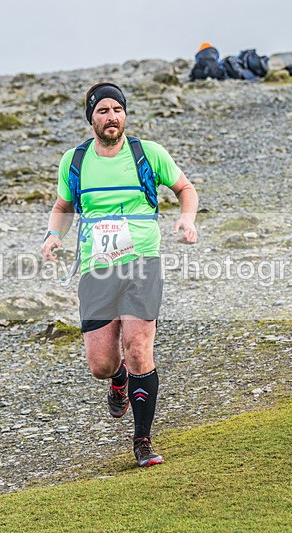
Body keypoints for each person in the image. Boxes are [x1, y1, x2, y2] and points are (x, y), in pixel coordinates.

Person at [40, 83, 199, 467]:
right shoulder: (74, 161)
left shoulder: (148, 153)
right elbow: (63, 206)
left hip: (142, 260)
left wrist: (186, 218)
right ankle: (118, 380)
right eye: (102, 111)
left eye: (117, 109)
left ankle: (143, 441)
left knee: (139, 349)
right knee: (102, 364)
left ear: (125, 114)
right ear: (91, 118)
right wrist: (52, 236)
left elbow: (185, 188)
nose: (111, 117)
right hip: (96, 267)